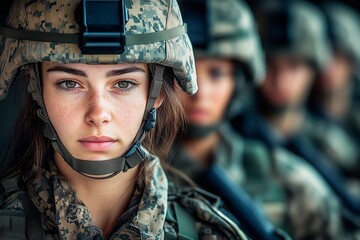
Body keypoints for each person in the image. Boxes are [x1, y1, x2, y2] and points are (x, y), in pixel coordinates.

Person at [0, 0, 249, 239]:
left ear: (157, 93)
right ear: (36, 87)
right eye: (69, 83)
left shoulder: (208, 233)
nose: (98, 114)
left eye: (123, 83)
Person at [169, 0, 343, 239]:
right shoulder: (128, 182)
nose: (200, 91)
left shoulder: (289, 181)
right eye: (183, 73)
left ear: (238, 83)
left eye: (217, 73)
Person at [231, 0, 360, 236]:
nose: (280, 80)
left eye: (294, 66)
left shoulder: (329, 141)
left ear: (314, 68)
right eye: (271, 65)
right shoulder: (233, 139)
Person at [307, 2, 360, 193]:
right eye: (323, 54)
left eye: (337, 56)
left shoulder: (354, 118)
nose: (328, 65)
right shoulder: (303, 123)